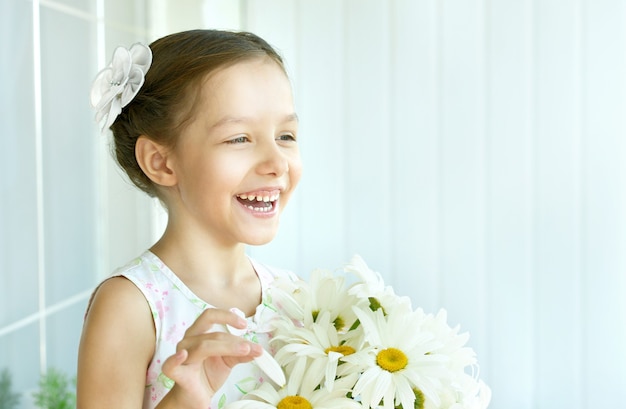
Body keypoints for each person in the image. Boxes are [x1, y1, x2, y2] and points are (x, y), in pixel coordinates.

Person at [77, 29, 302, 409]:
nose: (277, 163)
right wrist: (184, 399)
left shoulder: (292, 296)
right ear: (161, 162)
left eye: (286, 135)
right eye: (239, 139)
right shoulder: (131, 307)